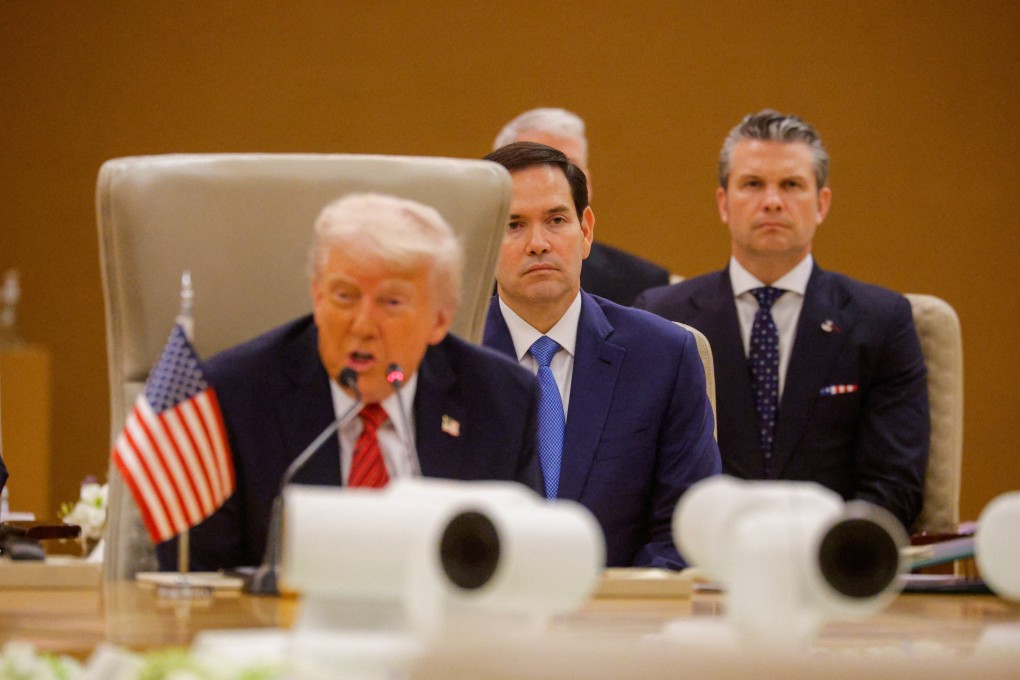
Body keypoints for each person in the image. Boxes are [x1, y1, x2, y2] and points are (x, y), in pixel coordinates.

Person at [157, 193, 543, 571]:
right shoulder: (231, 398)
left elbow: (523, 568)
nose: (362, 326)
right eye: (345, 296)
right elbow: (202, 585)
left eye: (391, 302)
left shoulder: (501, 401)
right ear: (317, 296)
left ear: (440, 320)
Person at [634, 110, 929, 531]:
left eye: (791, 185)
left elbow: (894, 484)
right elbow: (641, 471)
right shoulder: (663, 316)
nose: (772, 201)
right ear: (723, 202)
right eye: (753, 184)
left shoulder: (882, 320)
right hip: (701, 566)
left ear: (822, 203)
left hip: (832, 567)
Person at [481, 142, 721, 569]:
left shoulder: (665, 357)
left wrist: (618, 617)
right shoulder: (445, 358)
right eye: (514, 225)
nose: (538, 243)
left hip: (623, 623)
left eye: (556, 220)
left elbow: (687, 531)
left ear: (586, 230)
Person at [494, 108, 670, 306]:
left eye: (568, 166)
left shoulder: (642, 282)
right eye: (514, 225)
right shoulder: (461, 283)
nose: (538, 243)